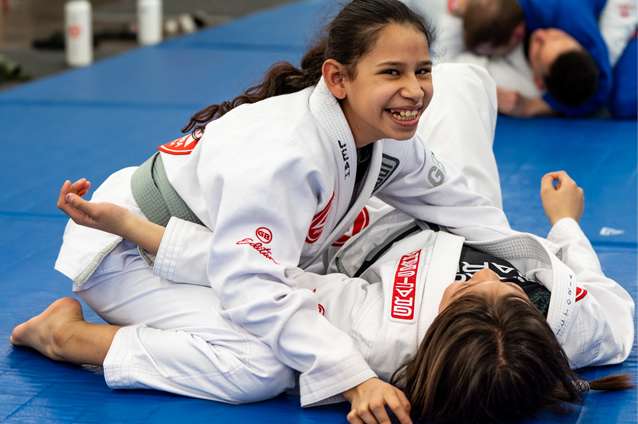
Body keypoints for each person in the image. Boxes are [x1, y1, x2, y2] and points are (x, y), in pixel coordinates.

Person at [12, 60, 634, 422]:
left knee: (267, 362)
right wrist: (566, 223)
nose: (489, 277)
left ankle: (74, 340)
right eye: (512, 292)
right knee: (464, 80)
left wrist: (138, 231)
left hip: (344, 233)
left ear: (439, 328)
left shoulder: (378, 333)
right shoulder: (579, 324)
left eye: (467, 295)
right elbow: (611, 299)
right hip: (449, 215)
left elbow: (260, 279)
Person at [457, 0, 637, 118]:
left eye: (540, 47)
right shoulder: (505, 13)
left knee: (624, 102)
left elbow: (598, 89)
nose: (541, 34)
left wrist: (536, 106)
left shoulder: (578, 28)